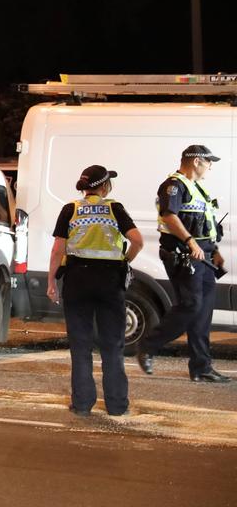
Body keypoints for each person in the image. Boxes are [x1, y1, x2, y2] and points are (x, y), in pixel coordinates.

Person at [46, 165, 143, 416]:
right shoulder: (114, 209)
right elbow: (137, 241)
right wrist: (125, 261)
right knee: (112, 346)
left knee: (80, 346)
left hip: (77, 280)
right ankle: (117, 406)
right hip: (109, 281)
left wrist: (51, 283)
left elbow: (58, 249)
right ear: (103, 186)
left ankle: (82, 404)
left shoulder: (71, 209)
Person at [136, 145, 231, 383]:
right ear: (197, 161)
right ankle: (148, 345)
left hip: (204, 256)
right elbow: (170, 216)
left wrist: (214, 251)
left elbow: (203, 223)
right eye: (209, 162)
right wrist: (190, 242)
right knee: (190, 305)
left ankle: (201, 367)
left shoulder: (198, 188)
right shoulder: (173, 185)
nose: (211, 166)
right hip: (184, 255)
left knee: (203, 313)